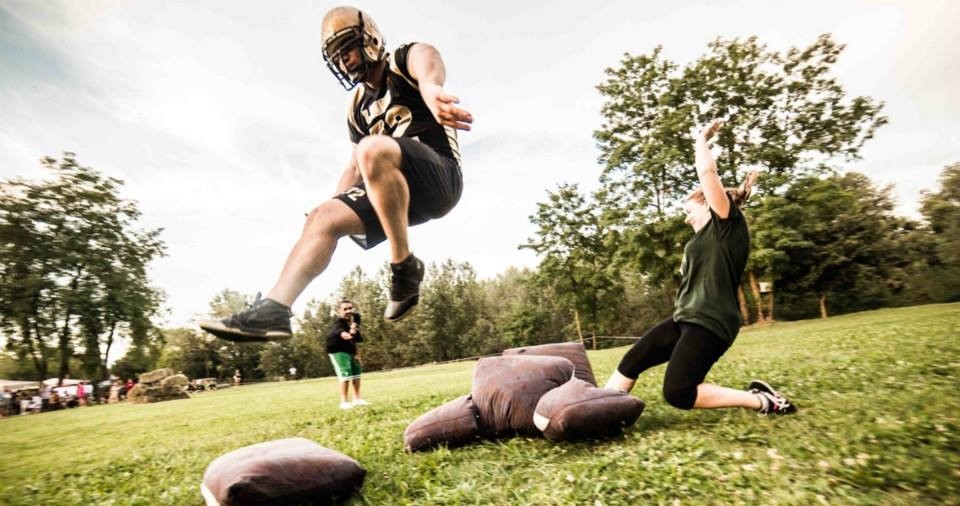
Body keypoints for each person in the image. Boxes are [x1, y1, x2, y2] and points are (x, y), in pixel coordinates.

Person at [200, 5, 473, 342]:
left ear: (369, 38)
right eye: (337, 56)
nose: (344, 61)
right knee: (323, 215)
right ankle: (274, 311)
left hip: (439, 177)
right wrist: (329, 207)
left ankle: (403, 267)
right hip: (394, 192)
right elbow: (355, 168)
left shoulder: (402, 62)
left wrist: (431, 88)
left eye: (347, 48)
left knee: (372, 148)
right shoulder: (357, 107)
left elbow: (426, 56)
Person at [604, 120, 796, 416]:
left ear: (707, 202)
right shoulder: (706, 238)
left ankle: (763, 400)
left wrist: (700, 139)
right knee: (633, 360)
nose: (685, 219)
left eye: (687, 211)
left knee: (678, 392)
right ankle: (601, 409)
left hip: (711, 320)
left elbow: (707, 172)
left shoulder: (726, 225)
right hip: (687, 317)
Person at [326, 299, 368, 409]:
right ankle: (344, 402)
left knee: (356, 374)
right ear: (339, 311)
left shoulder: (354, 321)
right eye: (345, 309)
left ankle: (357, 399)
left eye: (350, 308)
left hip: (350, 350)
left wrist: (357, 354)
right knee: (345, 374)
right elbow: (342, 333)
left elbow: (356, 339)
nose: (349, 311)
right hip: (338, 351)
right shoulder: (338, 323)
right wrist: (347, 333)